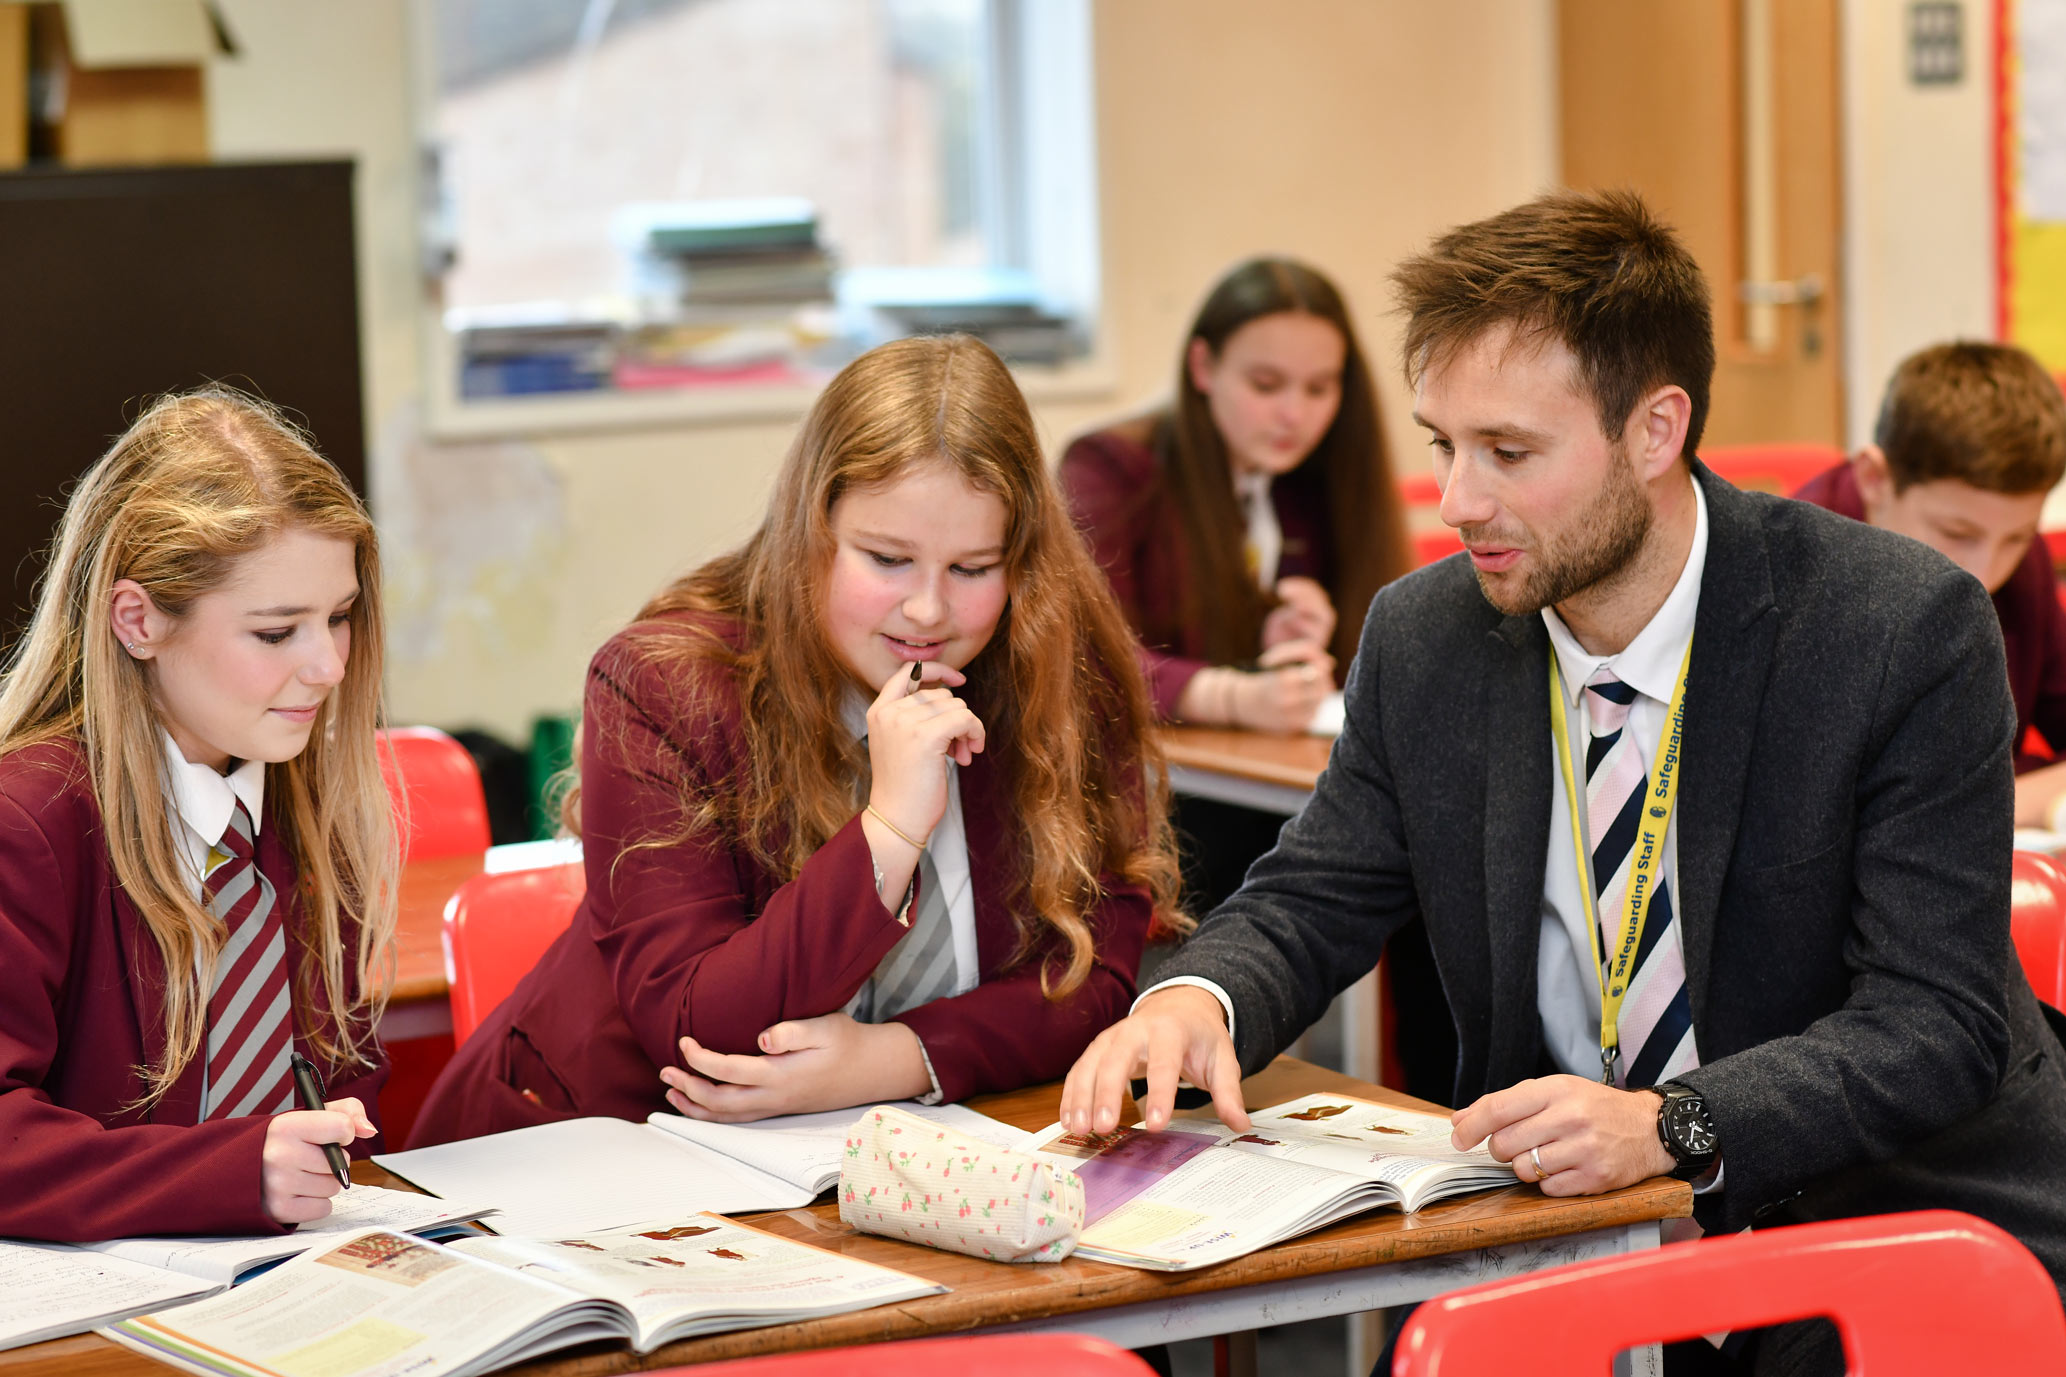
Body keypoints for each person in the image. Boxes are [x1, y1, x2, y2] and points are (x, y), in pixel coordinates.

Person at [1060, 190, 2066, 1375]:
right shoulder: (1426, 636)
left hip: (1864, 1218)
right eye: (1443, 444)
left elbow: (1931, 1024)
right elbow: (1309, 895)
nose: (1455, 502)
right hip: (1562, 1221)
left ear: (1652, 431)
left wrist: (1669, 1126)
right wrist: (1193, 1004)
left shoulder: (1893, 629)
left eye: (1508, 452)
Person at [409, 334, 1182, 1145]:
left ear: (1022, 562)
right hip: (597, 1150)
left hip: (878, 1155)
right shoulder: (661, 684)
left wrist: (898, 1057)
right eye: (887, 558)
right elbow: (700, 1029)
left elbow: (1097, 977)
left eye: (973, 568)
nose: (927, 610)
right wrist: (888, 830)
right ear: (812, 531)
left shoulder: (1059, 661)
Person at [0, 388, 395, 1242]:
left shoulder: (307, 797)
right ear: (138, 620)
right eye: (275, 631)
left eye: (339, 617)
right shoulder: (27, 821)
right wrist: (230, 1169)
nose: (327, 665)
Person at [1059, 256, 1411, 733]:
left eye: (1319, 388)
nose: (1294, 414)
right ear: (1203, 366)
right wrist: (1231, 696)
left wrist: (1279, 646)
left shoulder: (1317, 473)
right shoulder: (1109, 468)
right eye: (1266, 385)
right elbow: (1083, 658)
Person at [1792, 342, 2066, 834]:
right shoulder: (1796, 573)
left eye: (2016, 538)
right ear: (1875, 479)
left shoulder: (2024, 563)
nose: (1985, 572)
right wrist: (2022, 796)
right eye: (1958, 534)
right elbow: (1823, 817)